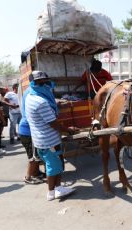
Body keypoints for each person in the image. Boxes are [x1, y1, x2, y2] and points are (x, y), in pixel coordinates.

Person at [25, 71, 78, 200]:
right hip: (49, 141)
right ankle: (51, 192)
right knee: (53, 167)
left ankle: (58, 188)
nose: (43, 84)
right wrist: (69, 130)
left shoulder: (30, 97)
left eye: (44, 81)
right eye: (39, 82)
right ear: (33, 83)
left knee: (57, 165)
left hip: (41, 140)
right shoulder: (41, 102)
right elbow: (54, 124)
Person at [19, 86, 45, 184]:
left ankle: (36, 173)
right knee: (33, 157)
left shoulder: (29, 91)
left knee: (35, 155)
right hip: (27, 132)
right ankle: (28, 177)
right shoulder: (33, 93)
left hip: (27, 131)